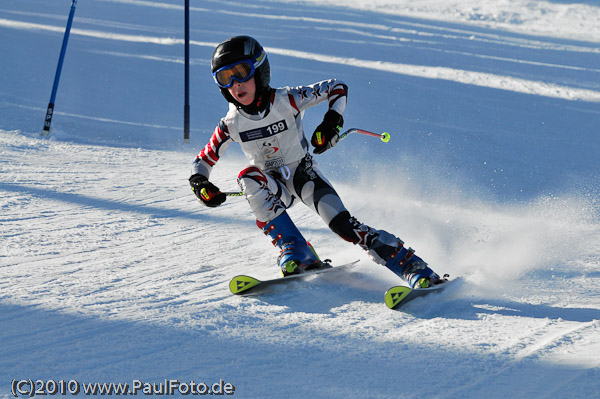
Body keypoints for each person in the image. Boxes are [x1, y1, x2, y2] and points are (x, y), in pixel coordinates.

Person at [189, 35, 443, 289]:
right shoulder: (231, 123)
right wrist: (201, 183)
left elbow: (337, 87)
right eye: (225, 78)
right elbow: (204, 160)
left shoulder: (285, 99)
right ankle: (297, 251)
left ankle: (412, 266)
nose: (235, 84)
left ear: (259, 70)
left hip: (304, 177)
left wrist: (331, 121)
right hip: (273, 186)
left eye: (241, 72)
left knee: (344, 226)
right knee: (248, 177)